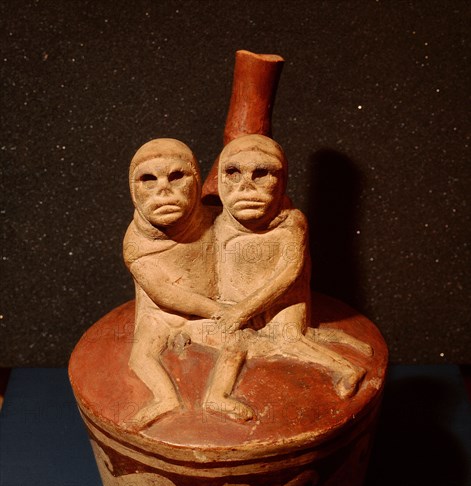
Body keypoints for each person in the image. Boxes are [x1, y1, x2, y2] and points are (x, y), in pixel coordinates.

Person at [203, 135, 369, 420]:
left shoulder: (291, 222)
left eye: (261, 173)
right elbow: (221, 274)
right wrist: (233, 308)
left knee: (287, 339)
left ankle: (349, 370)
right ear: (219, 179)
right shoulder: (220, 225)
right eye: (233, 173)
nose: (246, 187)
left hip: (284, 299)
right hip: (243, 305)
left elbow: (290, 273)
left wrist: (245, 310)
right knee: (237, 342)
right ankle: (217, 397)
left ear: (282, 180)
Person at [123, 138, 222, 428]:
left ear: (196, 180)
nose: (163, 191)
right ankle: (165, 398)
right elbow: (164, 294)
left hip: (211, 312)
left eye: (176, 176)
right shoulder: (136, 244)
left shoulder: (216, 221)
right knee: (141, 357)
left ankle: (218, 396)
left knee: (235, 345)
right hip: (160, 316)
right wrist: (217, 310)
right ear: (133, 190)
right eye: (148, 180)